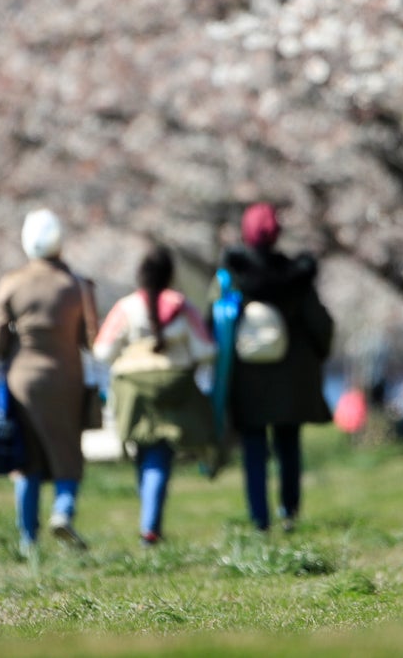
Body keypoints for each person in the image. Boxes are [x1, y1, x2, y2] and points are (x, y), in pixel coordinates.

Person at [0, 208, 97, 553]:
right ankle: (63, 511)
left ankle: (27, 541)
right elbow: (92, 340)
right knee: (67, 454)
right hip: (66, 379)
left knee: (25, 460)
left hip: (21, 381)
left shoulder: (11, 283)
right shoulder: (78, 285)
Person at [214, 202, 334, 532]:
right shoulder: (297, 275)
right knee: (288, 446)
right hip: (290, 377)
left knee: (253, 447)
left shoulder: (233, 278)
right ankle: (289, 513)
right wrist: (317, 355)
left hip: (248, 377)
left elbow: (217, 323)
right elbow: (320, 323)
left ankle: (259, 519)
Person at [92, 244, 218, 547]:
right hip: (174, 384)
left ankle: (149, 524)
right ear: (170, 274)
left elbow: (102, 350)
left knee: (146, 453)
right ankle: (150, 526)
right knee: (161, 455)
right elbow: (206, 350)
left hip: (132, 387)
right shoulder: (182, 306)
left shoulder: (125, 307)